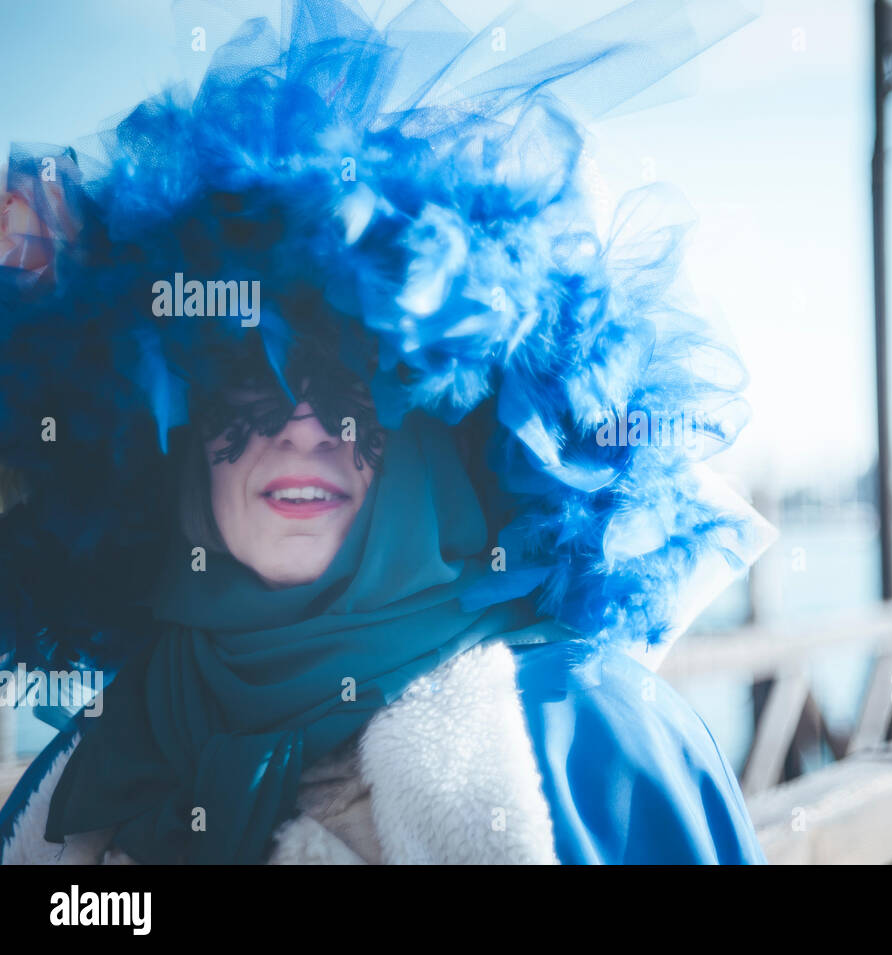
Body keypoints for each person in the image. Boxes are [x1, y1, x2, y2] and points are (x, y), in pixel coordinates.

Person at [0, 0, 772, 864]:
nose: (301, 431)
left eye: (349, 389)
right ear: (173, 431)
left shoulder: (589, 742)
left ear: (428, 421)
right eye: (244, 381)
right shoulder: (89, 773)